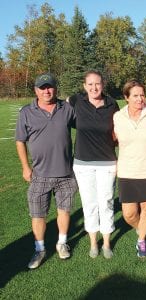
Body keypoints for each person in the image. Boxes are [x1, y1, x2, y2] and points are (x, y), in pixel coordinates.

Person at [15, 73, 78, 269]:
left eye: (50, 87)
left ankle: (62, 243)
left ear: (55, 89)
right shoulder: (26, 112)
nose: (46, 91)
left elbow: (85, 126)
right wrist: (26, 167)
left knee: (64, 211)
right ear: (36, 90)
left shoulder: (66, 108)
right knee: (38, 214)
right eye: (42, 88)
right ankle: (40, 249)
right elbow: (20, 141)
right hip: (39, 174)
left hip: (66, 173)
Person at [68, 70, 119, 259]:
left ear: (102, 85)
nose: (94, 88)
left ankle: (106, 243)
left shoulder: (112, 104)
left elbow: (118, 131)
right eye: (90, 84)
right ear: (84, 86)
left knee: (105, 203)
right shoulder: (76, 101)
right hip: (82, 163)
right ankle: (93, 243)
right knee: (89, 204)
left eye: (97, 84)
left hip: (107, 163)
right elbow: (63, 106)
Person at [113, 80, 146, 258]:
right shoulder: (118, 117)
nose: (140, 99)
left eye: (142, 95)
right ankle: (143, 231)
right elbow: (113, 138)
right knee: (129, 214)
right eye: (135, 95)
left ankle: (142, 241)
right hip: (128, 171)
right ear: (126, 97)